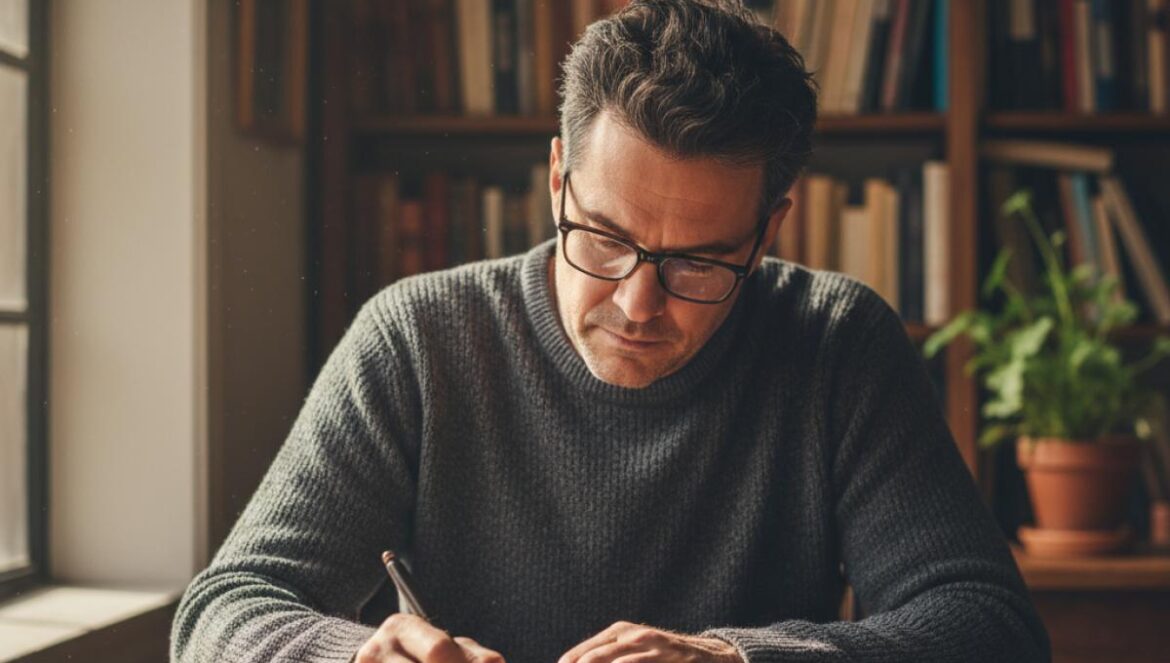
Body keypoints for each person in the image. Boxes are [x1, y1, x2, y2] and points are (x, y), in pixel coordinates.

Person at [171, 1, 1051, 661]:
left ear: (769, 228)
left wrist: (739, 657)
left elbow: (989, 623)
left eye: (699, 263)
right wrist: (350, 657)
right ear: (558, 178)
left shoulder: (836, 342)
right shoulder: (418, 339)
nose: (637, 303)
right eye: (604, 238)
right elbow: (224, 608)